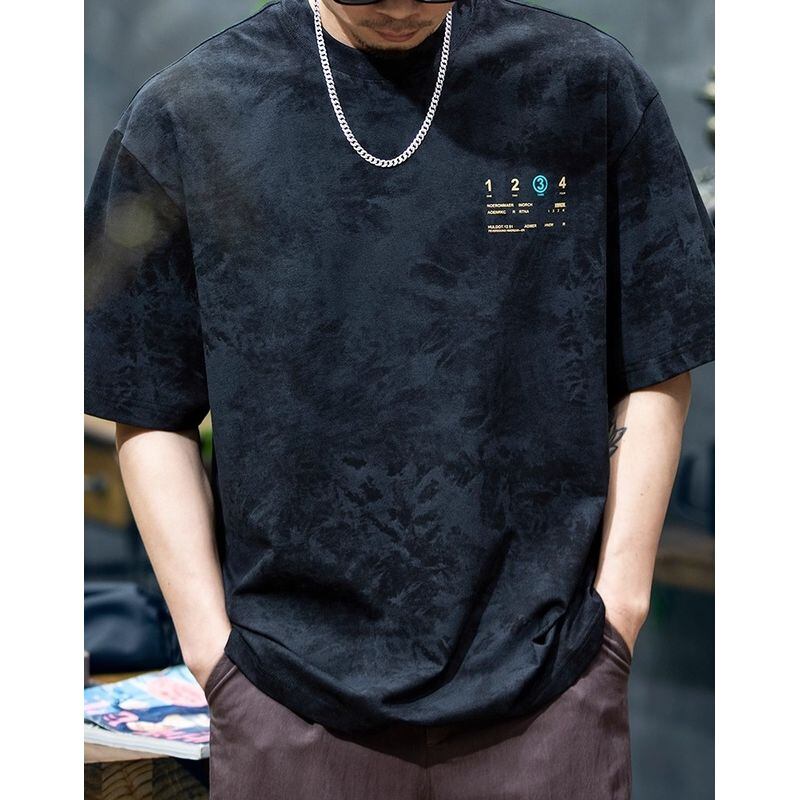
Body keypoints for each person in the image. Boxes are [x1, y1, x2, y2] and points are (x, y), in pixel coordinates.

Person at [84, 0, 715, 797]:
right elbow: (144, 399)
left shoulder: (585, 87)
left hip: (551, 696)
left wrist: (620, 609)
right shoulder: (192, 112)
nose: (400, 7)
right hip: (289, 702)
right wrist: (214, 653)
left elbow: (656, 353)